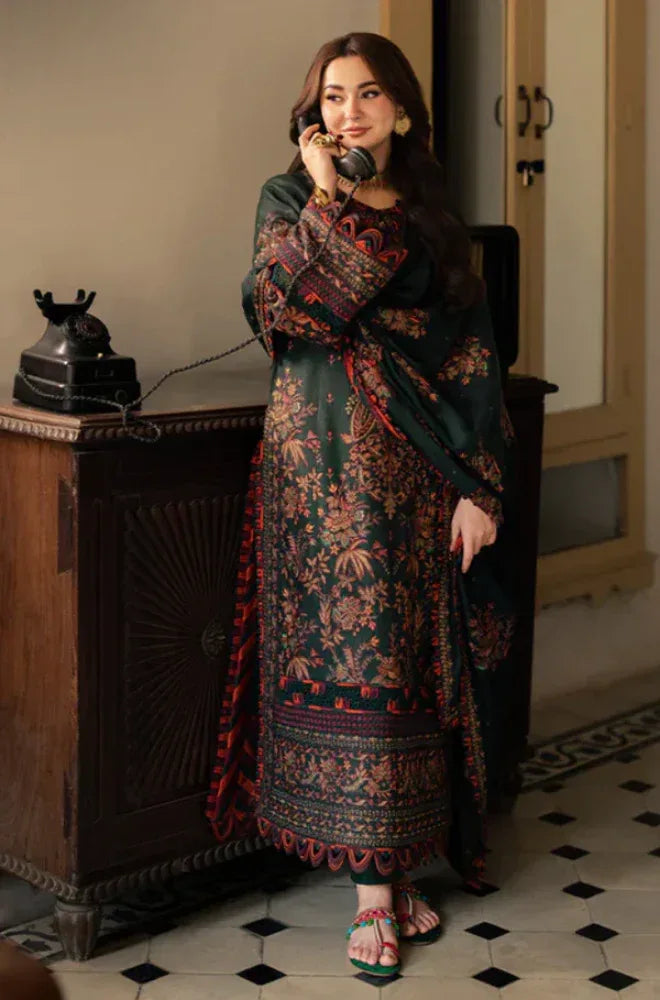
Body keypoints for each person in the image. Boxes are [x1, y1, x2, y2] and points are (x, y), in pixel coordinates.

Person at [207, 31, 515, 977]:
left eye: (369, 95)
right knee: (348, 659)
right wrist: (331, 195)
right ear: (313, 115)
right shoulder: (289, 200)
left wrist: (479, 487)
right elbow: (285, 313)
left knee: (413, 667)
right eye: (333, 97)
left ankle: (395, 868)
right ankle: (373, 896)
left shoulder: (432, 215)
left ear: (403, 112)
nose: (350, 112)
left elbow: (470, 354)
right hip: (319, 476)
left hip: (419, 477)